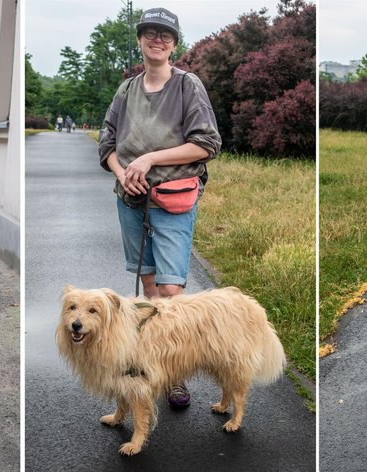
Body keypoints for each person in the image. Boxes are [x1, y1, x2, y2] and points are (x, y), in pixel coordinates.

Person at [98, 7, 221, 408]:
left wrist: (149, 160)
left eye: (165, 35)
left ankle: (176, 374)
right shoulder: (126, 90)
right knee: (148, 285)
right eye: (150, 33)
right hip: (131, 200)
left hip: (172, 199)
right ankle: (149, 365)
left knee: (171, 289)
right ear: (140, 40)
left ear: (174, 44)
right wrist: (122, 171)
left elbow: (207, 144)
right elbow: (107, 143)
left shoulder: (188, 86)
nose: (157, 40)